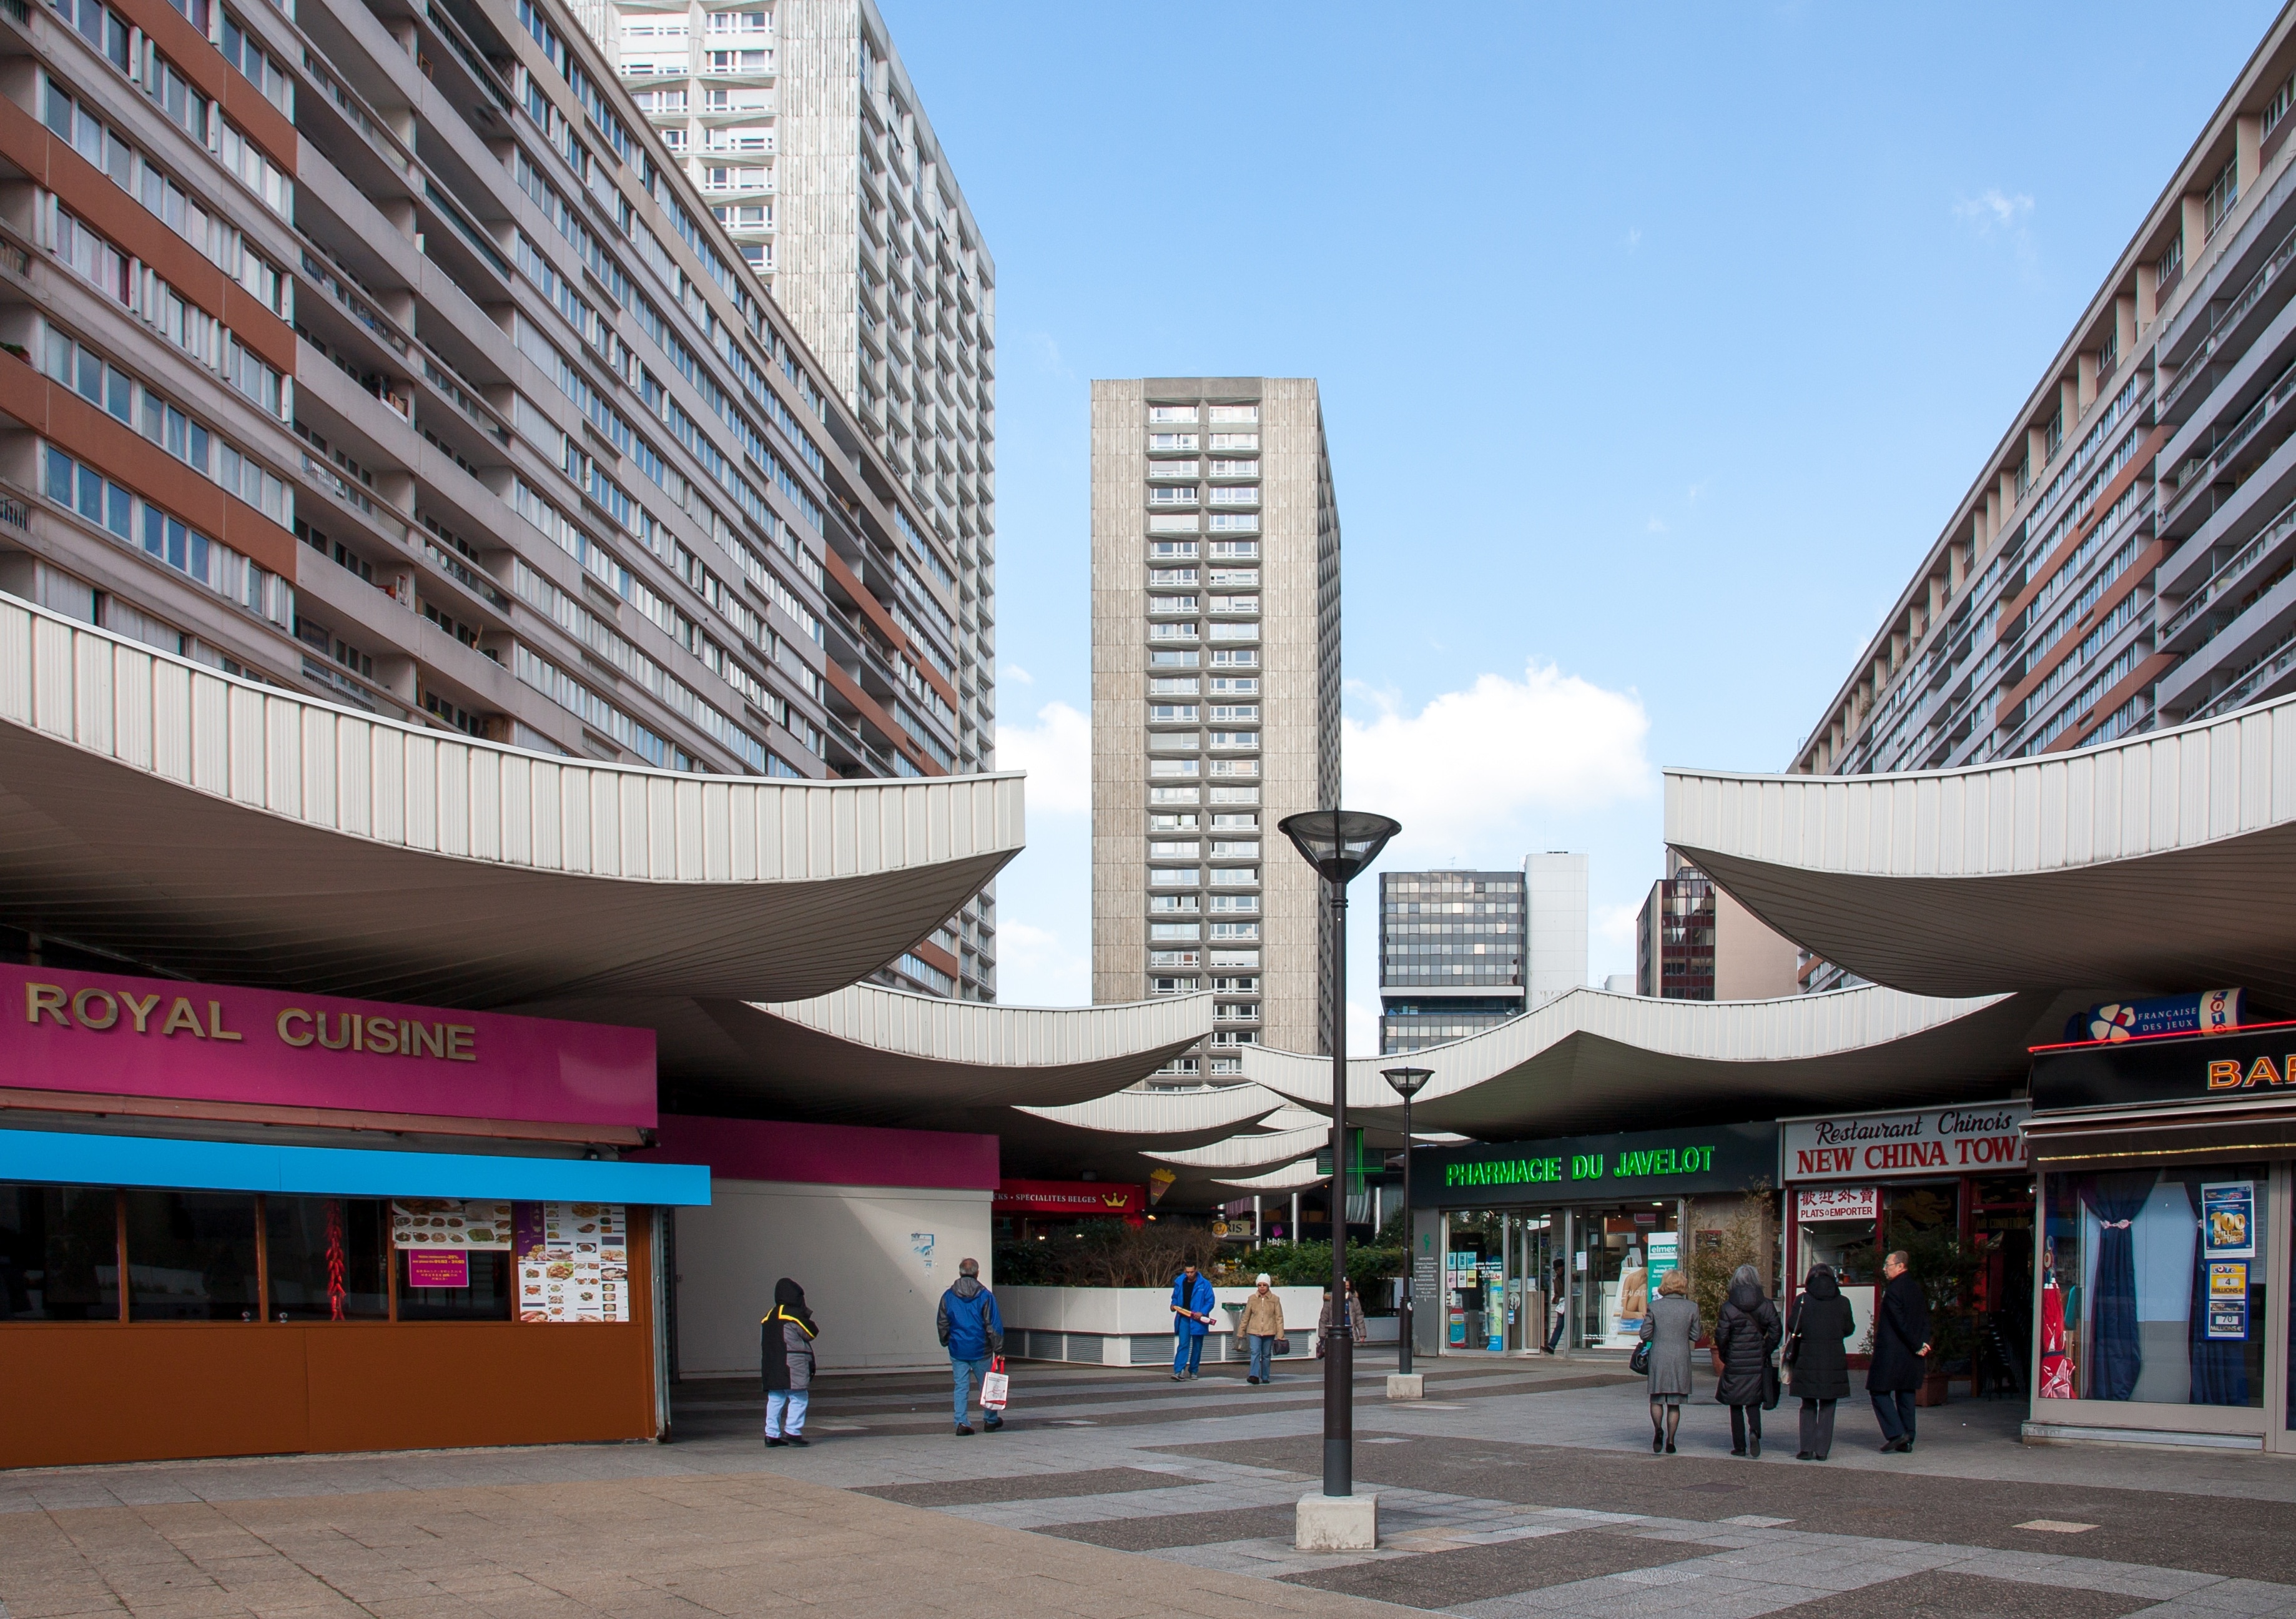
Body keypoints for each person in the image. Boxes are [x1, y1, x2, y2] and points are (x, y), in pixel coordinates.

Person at [1785, 1263, 1855, 1460]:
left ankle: (1806, 1448)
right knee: (1828, 1404)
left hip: (1806, 1358)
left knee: (1807, 1403)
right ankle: (1822, 1450)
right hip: (1833, 1359)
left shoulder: (1803, 1301)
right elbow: (1849, 1329)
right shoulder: (1843, 1301)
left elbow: (1792, 1326)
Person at [1713, 1261, 1781, 1458]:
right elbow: (1777, 1331)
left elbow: (1721, 1336)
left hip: (1735, 1360)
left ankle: (1739, 1446)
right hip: (1757, 1360)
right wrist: (1765, 1349)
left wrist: (1726, 1355)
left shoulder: (1728, 1307)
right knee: (1753, 1401)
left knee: (1735, 1403)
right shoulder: (1766, 1304)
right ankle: (1755, 1432)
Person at [1868, 1249, 1933, 1453]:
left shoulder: (1894, 1291)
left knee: (1878, 1390)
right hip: (1911, 1354)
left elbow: (1899, 1323)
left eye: (1888, 1265)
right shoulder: (1915, 1288)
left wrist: (1916, 1344)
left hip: (1893, 1352)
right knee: (1906, 1393)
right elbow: (1924, 1318)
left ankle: (1897, 1433)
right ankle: (1908, 1437)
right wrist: (1923, 1344)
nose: (1885, 1269)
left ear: (1900, 1266)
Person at [937, 1256, 1004, 1435]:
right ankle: (990, 1420)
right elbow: (993, 1325)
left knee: (961, 1386)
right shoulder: (985, 1296)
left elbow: (942, 1322)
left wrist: (946, 1340)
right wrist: (999, 1348)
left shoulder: (948, 1296)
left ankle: (961, 1422)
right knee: (987, 1385)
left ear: (960, 1273)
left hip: (958, 1348)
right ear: (977, 1273)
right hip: (981, 1349)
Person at [1637, 1267, 1700, 1453]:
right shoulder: (1692, 1307)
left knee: (1656, 1399)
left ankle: (1658, 1430)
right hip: (1680, 1358)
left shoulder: (1654, 1307)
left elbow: (1645, 1334)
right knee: (1675, 1402)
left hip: (1659, 1357)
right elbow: (1696, 1336)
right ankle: (1671, 1441)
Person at [759, 1277, 817, 1448]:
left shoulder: (769, 1315)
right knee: (799, 1396)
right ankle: (793, 1431)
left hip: (772, 1363)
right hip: (792, 1363)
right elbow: (811, 1333)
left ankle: (772, 1435)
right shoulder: (792, 1315)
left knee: (776, 1397)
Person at [1169, 1261, 1216, 1380]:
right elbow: (1175, 1297)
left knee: (1197, 1346)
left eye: (1192, 1272)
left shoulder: (1205, 1284)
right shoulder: (1180, 1282)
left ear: (1196, 1271)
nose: (1189, 1274)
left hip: (1198, 1319)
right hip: (1184, 1317)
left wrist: (1202, 1312)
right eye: (1187, 1272)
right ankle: (1179, 1370)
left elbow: (1210, 1301)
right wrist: (1173, 1305)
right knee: (1183, 1344)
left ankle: (1194, 1370)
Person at [1239, 1272, 1285, 1384]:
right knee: (1255, 1352)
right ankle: (1254, 1376)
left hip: (1269, 1331)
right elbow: (1246, 1316)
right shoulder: (1252, 1299)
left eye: (1264, 1285)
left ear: (1268, 1286)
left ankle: (1265, 1376)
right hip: (1254, 1331)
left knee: (1266, 1354)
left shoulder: (1275, 1299)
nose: (1262, 1287)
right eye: (1260, 1285)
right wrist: (1241, 1331)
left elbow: (1279, 1317)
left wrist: (1281, 1335)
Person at [1316, 1279, 1367, 1357]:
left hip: (1349, 1331)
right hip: (1333, 1332)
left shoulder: (1354, 1300)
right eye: (1344, 1286)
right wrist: (1322, 1335)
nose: (1346, 1288)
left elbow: (1359, 1317)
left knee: (1346, 1355)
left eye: (1347, 1286)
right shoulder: (1330, 1299)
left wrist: (1362, 1334)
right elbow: (1324, 1318)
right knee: (1334, 1355)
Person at [1544, 1260, 1569, 1354]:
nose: (1557, 1272)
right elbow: (1557, 1294)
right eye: (1556, 1270)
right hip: (1563, 1305)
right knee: (1559, 1325)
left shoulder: (1568, 1276)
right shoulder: (1557, 1280)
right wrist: (1557, 1300)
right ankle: (1551, 1346)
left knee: (1573, 1326)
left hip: (1571, 1303)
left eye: (1558, 1269)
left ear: (1563, 1267)